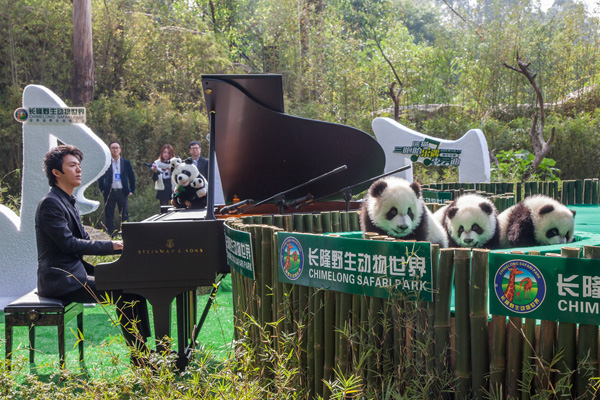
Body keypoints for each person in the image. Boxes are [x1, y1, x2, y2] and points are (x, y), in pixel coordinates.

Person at [35, 145, 151, 363]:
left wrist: (116, 246)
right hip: (61, 279)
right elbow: (69, 244)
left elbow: (84, 241)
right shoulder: (51, 203)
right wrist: (112, 246)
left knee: (132, 286)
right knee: (125, 293)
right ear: (56, 173)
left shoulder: (67, 200)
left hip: (73, 274)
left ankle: (143, 352)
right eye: (72, 165)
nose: (79, 170)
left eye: (79, 165)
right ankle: (140, 358)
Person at [98, 141, 135, 237]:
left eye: (117, 148)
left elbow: (131, 177)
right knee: (109, 214)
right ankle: (110, 235)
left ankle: (126, 235)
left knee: (124, 214)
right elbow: (101, 176)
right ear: (110, 150)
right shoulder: (106, 163)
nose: (115, 150)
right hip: (110, 192)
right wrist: (102, 188)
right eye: (113, 148)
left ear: (120, 150)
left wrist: (132, 190)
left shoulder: (125, 163)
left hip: (122, 191)